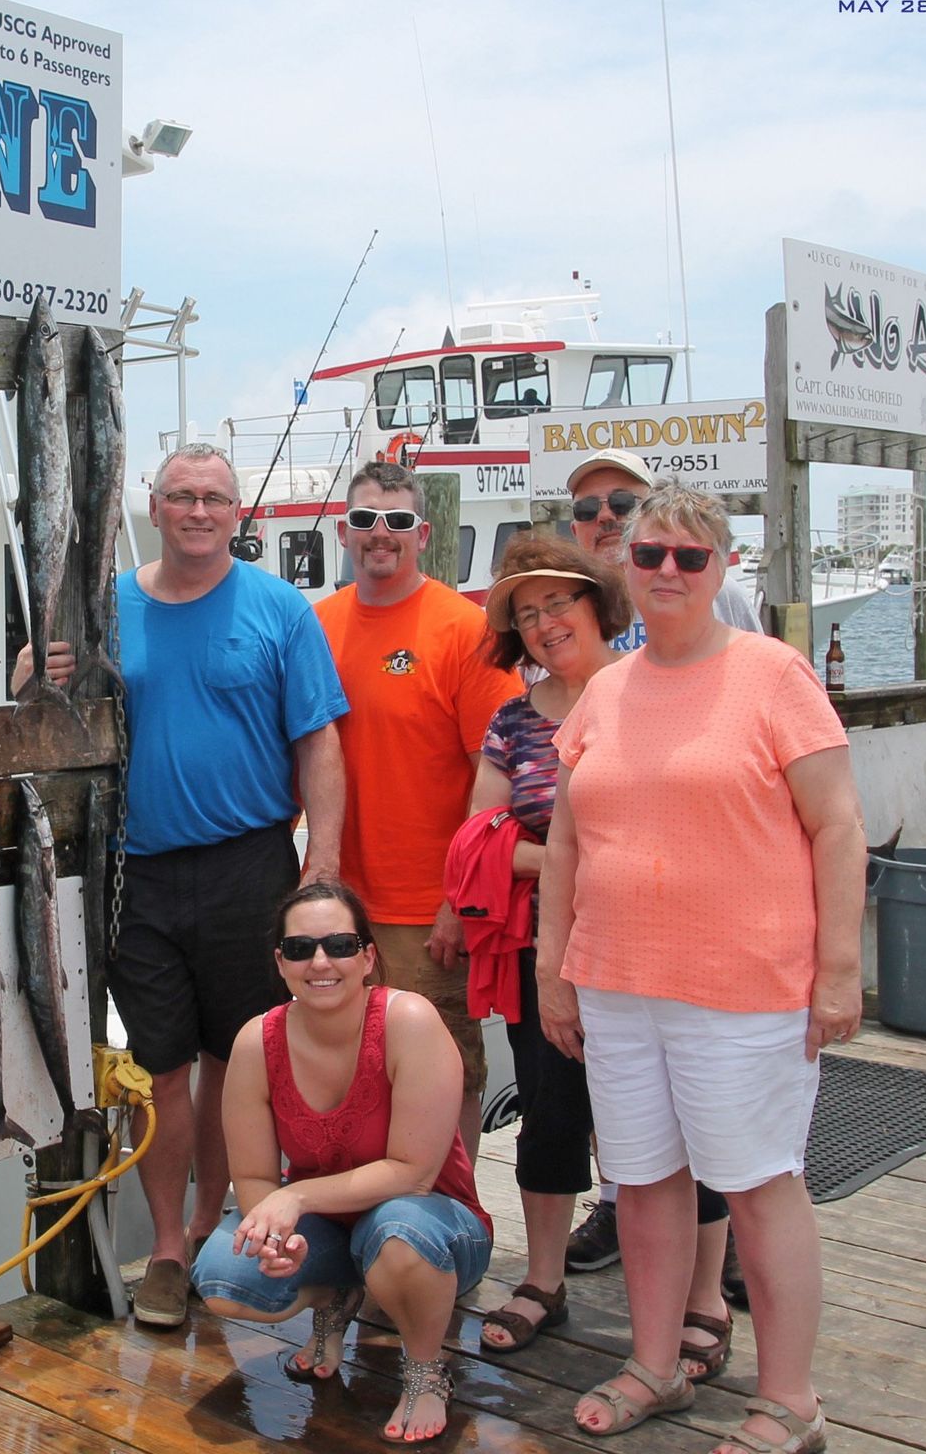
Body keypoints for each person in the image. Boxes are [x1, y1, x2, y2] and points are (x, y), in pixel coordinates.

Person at [538, 479, 864, 1452]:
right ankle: (654, 1362)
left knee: (761, 1185)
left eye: (690, 556)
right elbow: (563, 844)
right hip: (618, 982)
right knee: (643, 1182)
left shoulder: (773, 676)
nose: (668, 571)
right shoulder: (605, 688)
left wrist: (840, 968)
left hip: (745, 990)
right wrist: (557, 968)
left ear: (723, 567)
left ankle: (790, 1401)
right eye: (649, 556)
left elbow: (839, 825)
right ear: (624, 569)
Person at [14, 443, 348, 1330]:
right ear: (154, 508)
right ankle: (166, 1248)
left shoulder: (280, 608)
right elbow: (33, 706)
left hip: (251, 864)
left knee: (237, 1063)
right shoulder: (106, 609)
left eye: (216, 499)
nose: (200, 512)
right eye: (183, 497)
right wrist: (24, 677)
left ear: (237, 514)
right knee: (161, 1068)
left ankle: (213, 1225)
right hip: (137, 875)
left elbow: (320, 742)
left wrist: (323, 866)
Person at [562, 446, 761, 1309]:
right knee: (634, 1114)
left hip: (719, 921)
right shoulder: (581, 614)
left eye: (623, 505)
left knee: (722, 1118)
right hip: (613, 917)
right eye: (590, 510)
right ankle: (616, 1211)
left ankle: (726, 1264)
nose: (607, 522)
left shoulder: (739, 622)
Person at [192, 880, 492, 1447]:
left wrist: (296, 1197)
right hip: (331, 1227)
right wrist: (278, 1237)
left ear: (368, 957)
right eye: (301, 949)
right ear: (281, 963)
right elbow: (255, 1177)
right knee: (222, 1277)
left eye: (340, 945)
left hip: (437, 1229)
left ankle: (426, 1369)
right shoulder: (258, 1042)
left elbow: (413, 1172)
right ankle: (337, 1294)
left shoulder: (410, 1021)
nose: (321, 961)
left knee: (398, 1229)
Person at [454, 536, 642, 1357]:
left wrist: (543, 847)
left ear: (597, 602)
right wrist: (571, 852)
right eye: (526, 616)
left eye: (557, 603)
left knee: (657, 1113)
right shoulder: (513, 719)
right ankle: (544, 1279)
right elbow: (477, 837)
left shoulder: (653, 692)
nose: (544, 624)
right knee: (550, 1108)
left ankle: (686, 1285)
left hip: (652, 946)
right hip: (546, 946)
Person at [315, 460, 520, 1157]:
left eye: (398, 521)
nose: (382, 535)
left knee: (447, 1071)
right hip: (339, 907)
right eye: (367, 520)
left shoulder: (468, 631)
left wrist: (460, 901)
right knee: (346, 1072)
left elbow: (496, 782)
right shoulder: (315, 626)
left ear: (423, 533)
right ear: (344, 531)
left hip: (429, 910)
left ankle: (451, 1214)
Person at [566, 448, 763, 650]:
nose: (605, 516)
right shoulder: (558, 608)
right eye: (586, 509)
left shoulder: (721, 592)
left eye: (622, 503)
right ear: (574, 530)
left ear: (653, 511)